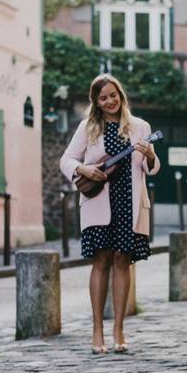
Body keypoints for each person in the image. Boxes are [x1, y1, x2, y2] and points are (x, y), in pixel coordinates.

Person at [60, 74, 159, 355]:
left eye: (113, 95)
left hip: (129, 202)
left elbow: (149, 168)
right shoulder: (88, 128)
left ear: (120, 95)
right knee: (101, 260)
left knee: (122, 260)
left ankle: (119, 331)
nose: (109, 101)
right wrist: (83, 170)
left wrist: (150, 155)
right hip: (97, 201)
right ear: (96, 102)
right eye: (103, 98)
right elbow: (66, 159)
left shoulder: (140, 127)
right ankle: (97, 332)